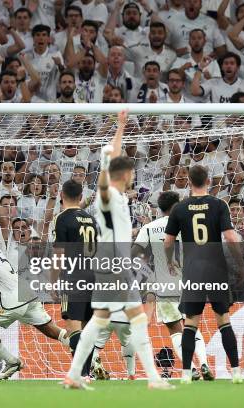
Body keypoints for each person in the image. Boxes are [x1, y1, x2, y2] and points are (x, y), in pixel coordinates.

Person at [63, 110, 173, 390]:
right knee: (136, 317)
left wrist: (121, 127)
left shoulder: (117, 196)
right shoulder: (108, 193)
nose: (134, 174)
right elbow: (109, 163)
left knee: (99, 320)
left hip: (108, 264)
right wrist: (115, 138)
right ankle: (153, 379)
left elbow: (115, 157)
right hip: (115, 265)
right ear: (123, 174)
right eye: (131, 171)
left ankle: (74, 375)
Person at [0, 220, 69, 380]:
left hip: (11, 300)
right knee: (52, 330)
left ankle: (12, 362)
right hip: (26, 291)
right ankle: (91, 357)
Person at [164, 165, 244, 384]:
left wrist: (170, 261)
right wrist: (240, 265)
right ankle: (236, 372)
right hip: (216, 269)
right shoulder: (219, 204)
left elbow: (168, 242)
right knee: (224, 321)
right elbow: (230, 237)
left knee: (190, 323)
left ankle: (185, 374)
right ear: (208, 181)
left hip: (192, 270)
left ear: (189, 182)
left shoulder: (179, 208)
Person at [132, 191, 212, 381]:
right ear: (177, 205)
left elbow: (134, 253)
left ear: (160, 209)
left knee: (175, 330)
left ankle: (190, 368)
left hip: (164, 284)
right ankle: (203, 362)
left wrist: (147, 272)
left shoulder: (150, 228)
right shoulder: (189, 225)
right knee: (192, 326)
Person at [50, 179, 98, 379]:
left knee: (73, 327)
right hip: (93, 276)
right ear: (80, 197)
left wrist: (53, 281)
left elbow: (59, 252)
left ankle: (80, 374)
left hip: (73, 277)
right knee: (87, 328)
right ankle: (86, 374)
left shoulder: (62, 218)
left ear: (61, 195)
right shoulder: (90, 219)